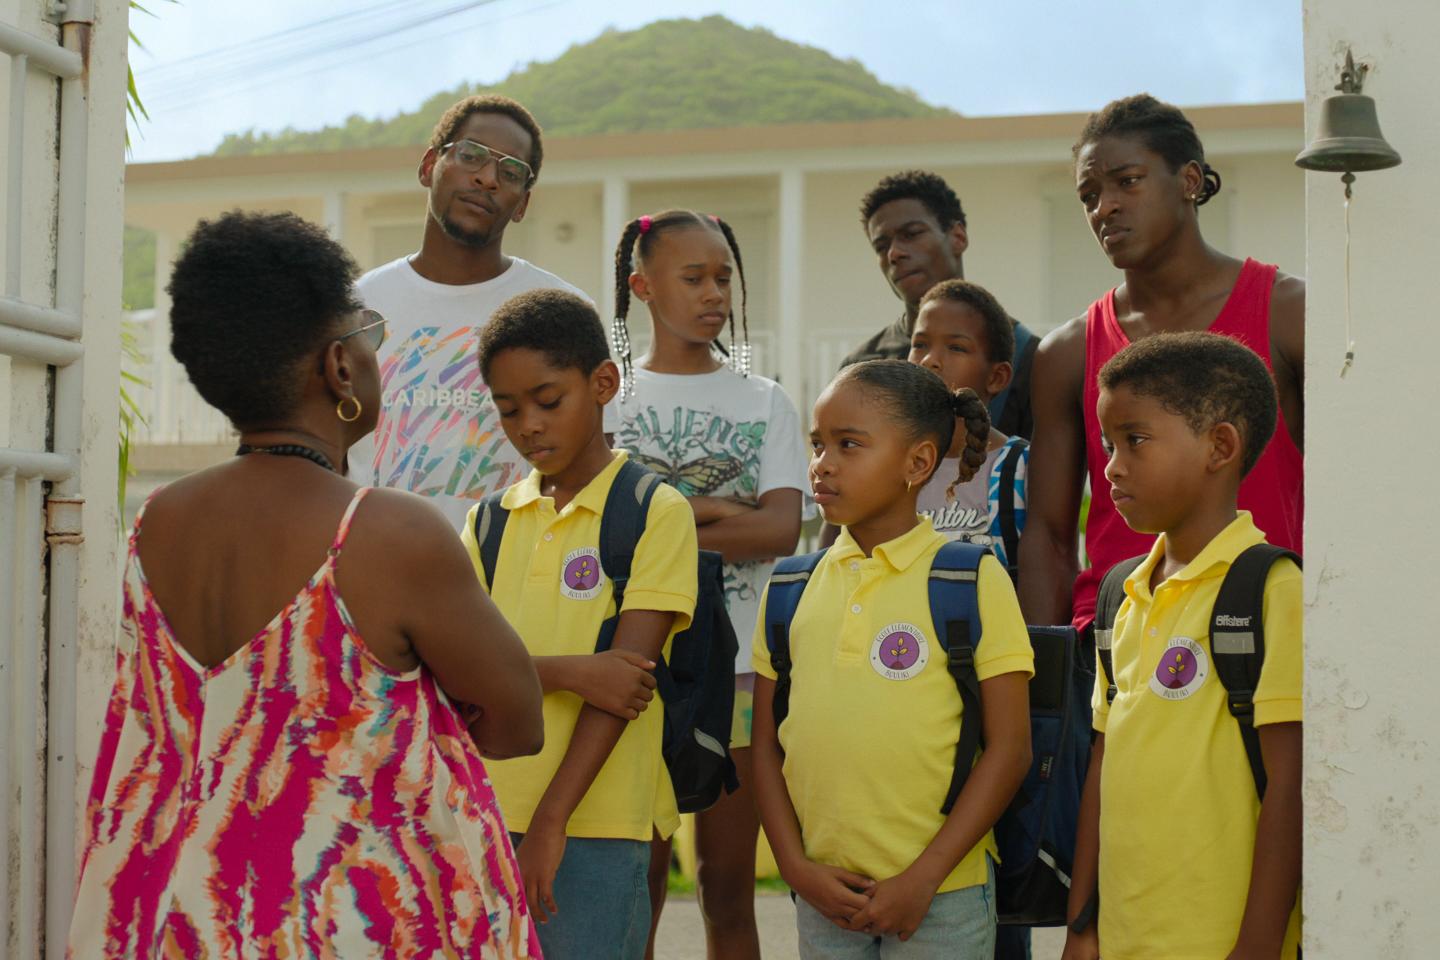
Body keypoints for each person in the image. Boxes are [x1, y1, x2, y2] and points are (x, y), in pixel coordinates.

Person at [67, 211, 545, 958]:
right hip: (345, 919)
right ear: (338, 368)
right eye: (368, 334)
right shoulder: (388, 533)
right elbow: (518, 721)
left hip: (189, 917)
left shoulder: (158, 523)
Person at [752, 359, 1034, 959]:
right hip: (824, 894)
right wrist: (796, 870)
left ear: (918, 464)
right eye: (818, 444)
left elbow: (1010, 749)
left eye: (849, 445)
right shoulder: (789, 588)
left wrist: (923, 878)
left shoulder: (971, 577)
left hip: (944, 896)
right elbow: (763, 746)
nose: (822, 464)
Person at [463, 289, 700, 960]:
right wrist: (570, 672)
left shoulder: (655, 511)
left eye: (547, 401)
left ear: (603, 384)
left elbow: (623, 689)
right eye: (508, 410)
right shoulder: (487, 525)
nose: (528, 425)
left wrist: (550, 820)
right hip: (482, 816)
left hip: (597, 822)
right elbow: (456, 679)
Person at [1020, 94, 1304, 635]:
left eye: (1128, 181)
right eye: (1089, 195)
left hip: (1261, 642)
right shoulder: (1067, 352)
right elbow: (1050, 534)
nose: (1104, 207)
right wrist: (1049, 686)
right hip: (1117, 658)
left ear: (1190, 180)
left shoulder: (1290, 313)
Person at [1062, 332, 1302, 960]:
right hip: (1120, 938)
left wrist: (1256, 947)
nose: (1111, 465)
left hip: (1220, 941)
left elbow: (1291, 786)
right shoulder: (1120, 593)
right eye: (1108, 443)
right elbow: (1102, 765)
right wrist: (1082, 926)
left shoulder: (1270, 590)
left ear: (1219, 446)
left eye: (1134, 440)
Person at [607, 210, 807, 960]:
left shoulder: (764, 401)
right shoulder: (611, 397)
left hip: (742, 671)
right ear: (642, 286)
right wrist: (713, 510)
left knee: (725, 882)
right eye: (693, 277)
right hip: (640, 667)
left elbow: (779, 530)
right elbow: (606, 535)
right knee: (642, 880)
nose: (714, 292)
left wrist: (661, 522)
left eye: (723, 276)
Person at [349, 94, 611, 527]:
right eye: (471, 155)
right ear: (429, 165)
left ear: (523, 203)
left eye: (511, 172)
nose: (488, 178)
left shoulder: (563, 310)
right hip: (378, 572)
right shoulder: (358, 307)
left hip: (518, 580)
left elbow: (596, 467)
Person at [844, 170, 1038, 439]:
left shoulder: (1030, 358)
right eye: (881, 246)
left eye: (911, 234)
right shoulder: (860, 367)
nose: (894, 253)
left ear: (958, 236)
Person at [909, 279, 1029, 574]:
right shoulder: (893, 467)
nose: (929, 360)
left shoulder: (1021, 468)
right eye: (920, 344)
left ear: (997, 377)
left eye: (956, 347)